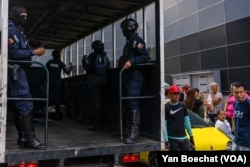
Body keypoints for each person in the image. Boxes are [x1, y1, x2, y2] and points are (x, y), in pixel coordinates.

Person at [8, 6, 45, 149]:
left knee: (20, 107)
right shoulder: (11, 31)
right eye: (22, 16)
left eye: (26, 16)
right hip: (15, 72)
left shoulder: (18, 31)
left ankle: (23, 138)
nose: (25, 18)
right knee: (26, 105)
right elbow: (14, 53)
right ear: (15, 16)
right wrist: (34, 52)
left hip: (20, 72)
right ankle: (30, 139)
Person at [119, 18, 150, 144]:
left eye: (123, 28)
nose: (123, 31)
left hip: (135, 76)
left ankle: (134, 133)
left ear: (128, 28)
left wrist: (131, 62)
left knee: (132, 103)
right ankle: (127, 130)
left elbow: (145, 56)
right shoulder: (129, 42)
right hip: (129, 76)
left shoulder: (136, 40)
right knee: (127, 103)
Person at [82, 40, 111, 131]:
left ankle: (96, 124)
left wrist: (83, 60)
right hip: (104, 80)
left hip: (94, 80)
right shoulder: (106, 57)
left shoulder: (92, 56)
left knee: (96, 103)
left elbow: (87, 67)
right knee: (103, 102)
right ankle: (103, 123)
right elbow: (108, 68)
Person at [164, 85, 194, 151]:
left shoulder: (183, 105)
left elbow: (187, 121)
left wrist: (191, 135)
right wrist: (166, 139)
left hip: (184, 136)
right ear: (170, 94)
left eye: (178, 93)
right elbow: (164, 124)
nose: (177, 95)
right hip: (172, 138)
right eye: (175, 93)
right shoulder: (166, 107)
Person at [46, 49, 73, 120]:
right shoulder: (61, 63)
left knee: (46, 97)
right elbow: (67, 72)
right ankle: (57, 115)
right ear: (59, 56)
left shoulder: (49, 63)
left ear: (52, 55)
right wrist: (71, 66)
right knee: (57, 98)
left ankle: (45, 113)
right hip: (57, 82)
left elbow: (44, 72)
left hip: (49, 81)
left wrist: (43, 83)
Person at [231, 82, 250, 151]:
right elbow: (235, 117)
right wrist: (233, 129)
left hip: (246, 142)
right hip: (236, 139)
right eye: (236, 92)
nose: (239, 95)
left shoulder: (248, 104)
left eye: (241, 92)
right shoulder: (235, 103)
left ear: (245, 91)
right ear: (232, 93)